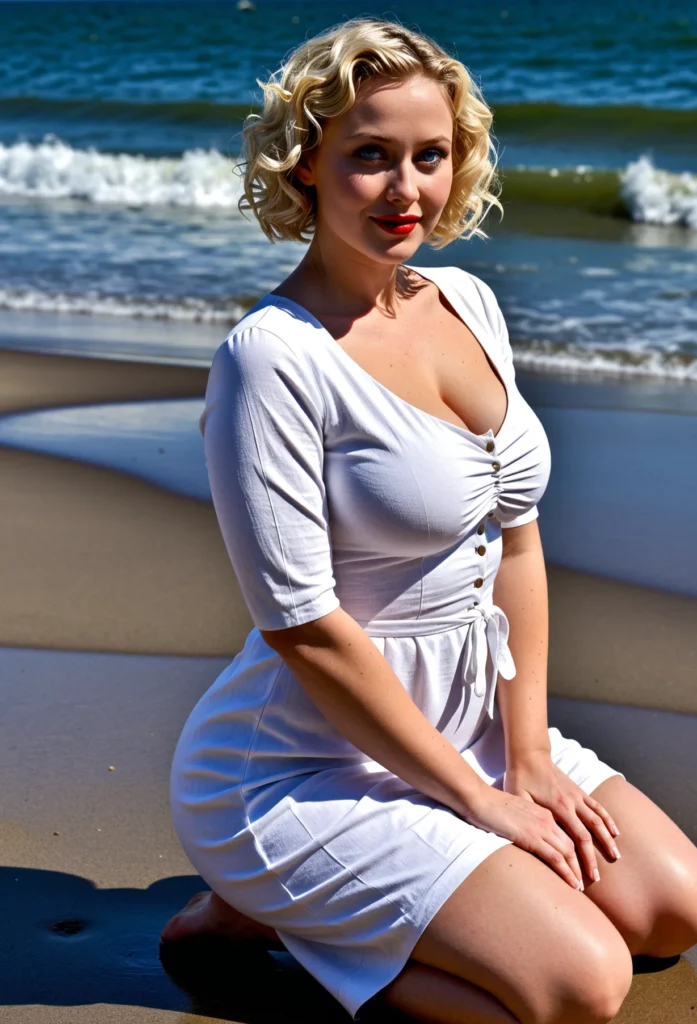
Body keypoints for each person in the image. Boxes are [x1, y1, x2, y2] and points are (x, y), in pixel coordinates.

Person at [163, 18, 697, 1024]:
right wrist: (477, 801)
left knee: (669, 910)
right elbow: (303, 630)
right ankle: (259, 917)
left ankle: (321, 908)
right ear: (307, 163)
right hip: (298, 766)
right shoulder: (272, 357)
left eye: (429, 156)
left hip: (477, 723)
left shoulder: (467, 302)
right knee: (581, 985)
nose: (406, 189)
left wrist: (526, 755)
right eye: (369, 157)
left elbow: (520, 542)